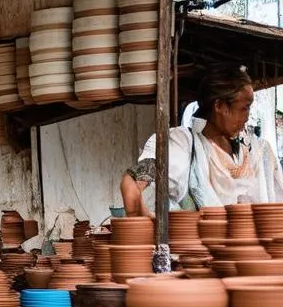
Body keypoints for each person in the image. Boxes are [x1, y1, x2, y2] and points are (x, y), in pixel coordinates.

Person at [121, 63, 283, 215]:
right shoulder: (185, 145)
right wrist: (140, 215)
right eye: (244, 108)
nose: (247, 117)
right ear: (219, 106)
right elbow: (133, 183)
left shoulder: (257, 151)